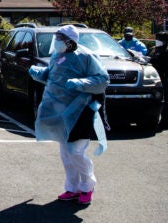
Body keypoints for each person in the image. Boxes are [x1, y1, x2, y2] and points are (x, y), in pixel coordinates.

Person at [28, 25, 109, 206]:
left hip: (79, 111)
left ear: (70, 41)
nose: (55, 41)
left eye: (59, 38)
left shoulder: (86, 57)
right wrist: (37, 72)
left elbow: (102, 80)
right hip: (60, 112)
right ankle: (72, 188)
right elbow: (52, 76)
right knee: (66, 153)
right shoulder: (57, 56)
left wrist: (80, 82)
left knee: (75, 151)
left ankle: (87, 186)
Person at [149, 32, 168, 130]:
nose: (157, 40)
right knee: (159, 99)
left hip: (166, 77)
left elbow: (165, 66)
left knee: (167, 99)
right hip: (156, 77)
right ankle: (159, 120)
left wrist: (153, 62)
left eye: (159, 39)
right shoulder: (153, 49)